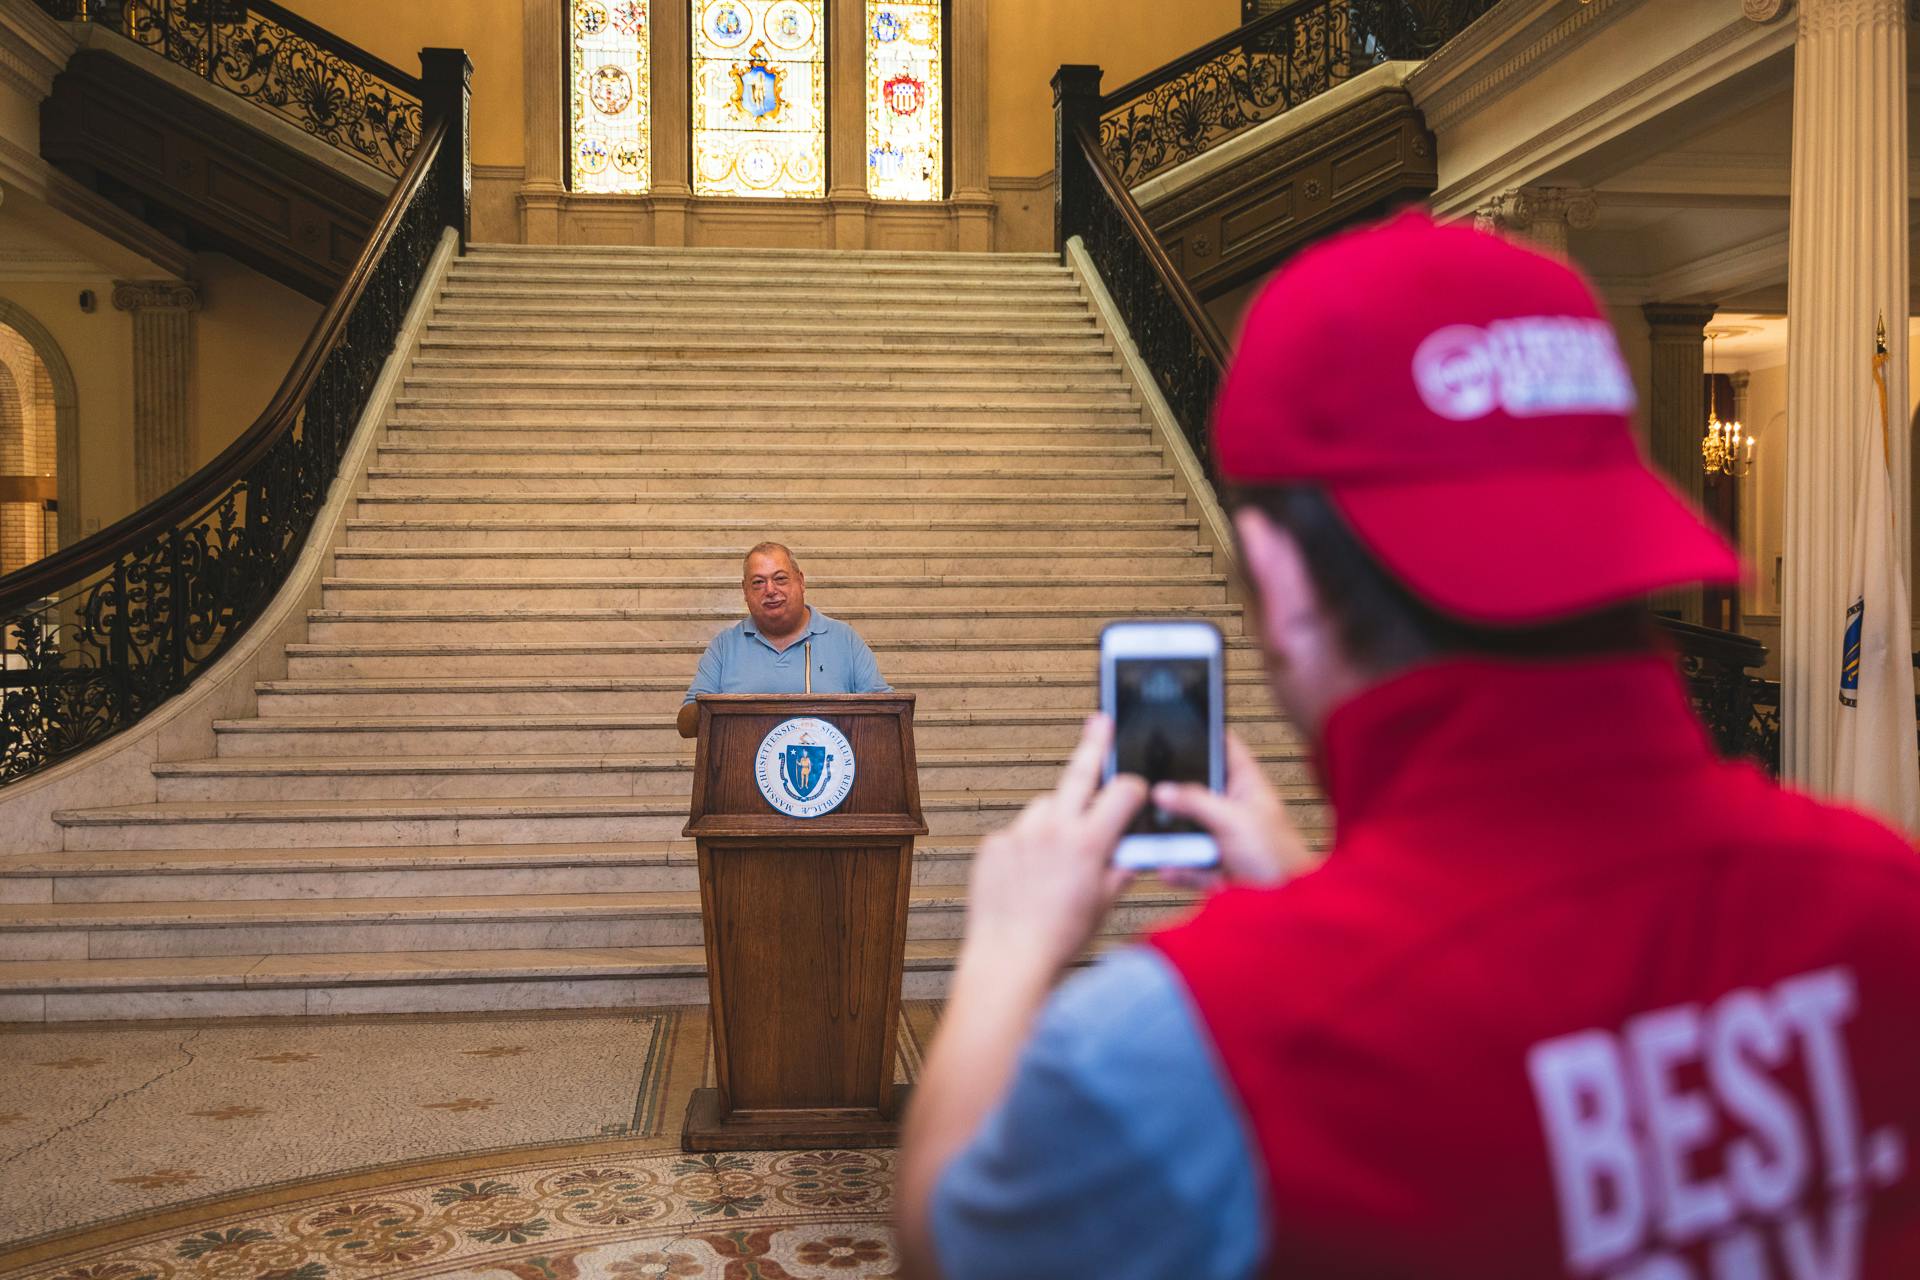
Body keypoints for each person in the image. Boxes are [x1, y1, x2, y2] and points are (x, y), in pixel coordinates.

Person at [895, 211, 1920, 1279]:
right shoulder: (1884, 897)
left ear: (1280, 581)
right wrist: (1316, 897)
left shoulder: (1189, 1047)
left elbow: (949, 1241)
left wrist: (1011, 944)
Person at [678, 541, 890, 737]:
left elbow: (888, 714)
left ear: (801, 581)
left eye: (780, 579)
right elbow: (686, 724)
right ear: (745, 591)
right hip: (740, 775)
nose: (770, 590)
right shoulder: (724, 646)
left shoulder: (845, 640)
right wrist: (730, 709)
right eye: (758, 582)